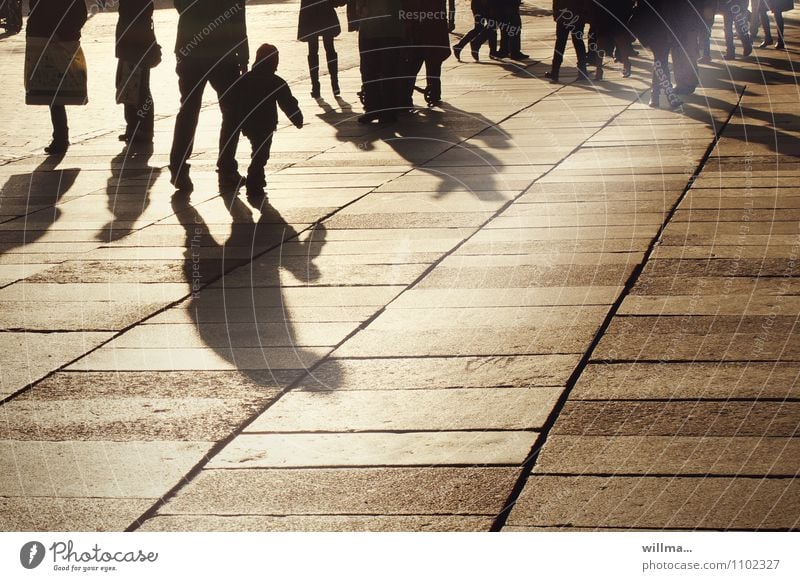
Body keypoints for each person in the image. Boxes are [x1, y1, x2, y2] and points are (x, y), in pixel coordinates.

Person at [169, 0, 249, 193]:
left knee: (188, 109)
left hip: (189, 47)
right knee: (232, 110)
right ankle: (227, 168)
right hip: (221, 51)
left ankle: (178, 168)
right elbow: (237, 12)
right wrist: (243, 53)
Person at [239, 43, 303, 200]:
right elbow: (287, 102)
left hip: (248, 123)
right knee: (261, 153)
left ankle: (258, 180)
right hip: (266, 124)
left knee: (258, 150)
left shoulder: (245, 79)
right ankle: (254, 181)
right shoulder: (275, 81)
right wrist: (297, 118)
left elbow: (235, 100)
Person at [26, 0, 88, 155]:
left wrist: (61, 33)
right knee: (51, 89)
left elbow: (79, 14)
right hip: (44, 38)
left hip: (54, 39)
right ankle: (60, 136)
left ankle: (61, 137)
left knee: (54, 89)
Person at [115, 0, 160, 145]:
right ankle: (133, 127)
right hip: (128, 44)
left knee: (141, 88)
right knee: (126, 84)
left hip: (138, 45)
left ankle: (145, 129)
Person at [354, 0, 404, 124]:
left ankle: (387, 111)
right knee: (368, 70)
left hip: (388, 27)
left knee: (387, 70)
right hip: (369, 26)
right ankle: (374, 109)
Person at [404, 0, 451, 106]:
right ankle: (434, 92)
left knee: (413, 65)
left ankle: (407, 96)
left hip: (421, 33)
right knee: (432, 64)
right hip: (433, 30)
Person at [298, 0, 345, 99]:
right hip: (325, 11)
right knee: (329, 48)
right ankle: (335, 83)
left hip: (310, 13)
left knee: (313, 50)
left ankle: (315, 87)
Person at [546, 0, 589, 83]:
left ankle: (555, 71)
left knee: (560, 44)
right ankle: (582, 71)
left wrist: (556, 13)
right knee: (578, 43)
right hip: (576, 15)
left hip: (565, 15)